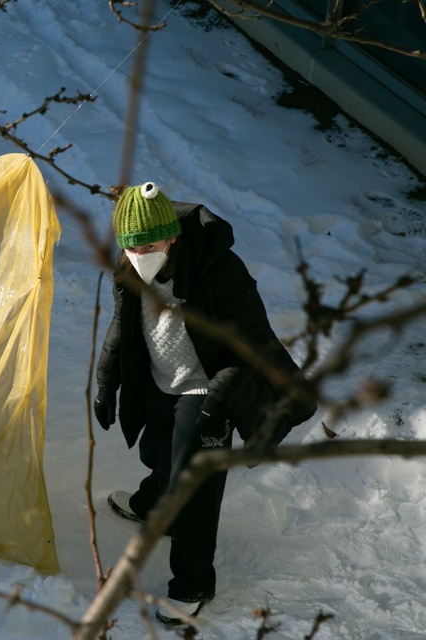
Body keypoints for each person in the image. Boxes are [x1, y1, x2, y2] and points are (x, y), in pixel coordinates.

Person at [93, 181, 316, 625]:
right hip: (161, 380)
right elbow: (122, 326)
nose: (140, 256)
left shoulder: (221, 271)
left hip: (209, 387)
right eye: (130, 247)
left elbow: (251, 347)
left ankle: (193, 584)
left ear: (171, 235)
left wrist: (217, 401)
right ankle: (155, 504)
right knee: (159, 452)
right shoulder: (128, 267)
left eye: (149, 245)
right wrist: (106, 381)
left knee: (193, 487)